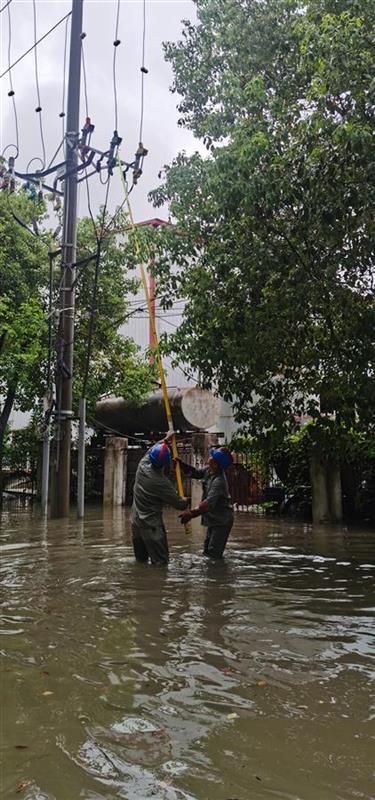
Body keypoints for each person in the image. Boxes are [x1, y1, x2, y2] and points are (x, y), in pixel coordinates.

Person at [131, 436, 189, 565]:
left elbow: (154, 448)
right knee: (161, 564)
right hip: (152, 527)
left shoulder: (143, 464)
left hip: (136, 524)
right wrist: (185, 500)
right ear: (166, 463)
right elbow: (180, 504)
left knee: (140, 562)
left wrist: (166, 439)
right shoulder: (161, 482)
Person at [178, 447, 234, 559]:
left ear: (216, 464)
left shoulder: (219, 482)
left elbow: (206, 505)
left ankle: (216, 574)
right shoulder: (209, 470)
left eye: (212, 457)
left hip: (222, 522)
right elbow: (195, 473)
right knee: (207, 550)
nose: (209, 457)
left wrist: (190, 514)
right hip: (214, 519)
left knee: (213, 554)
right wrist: (181, 465)